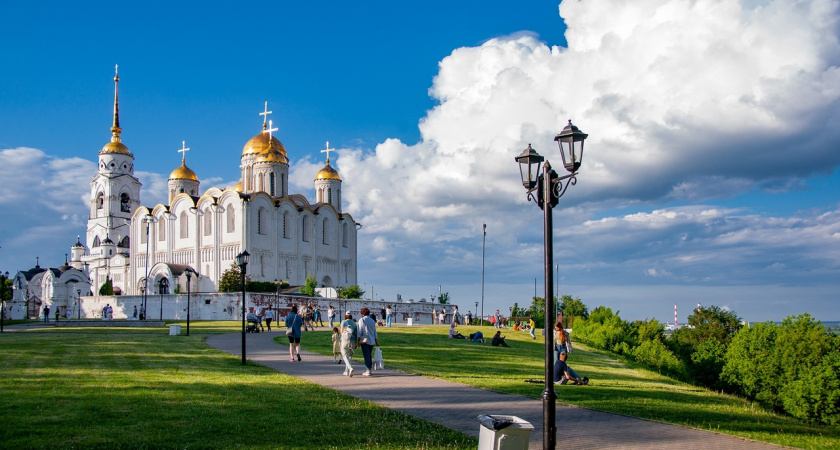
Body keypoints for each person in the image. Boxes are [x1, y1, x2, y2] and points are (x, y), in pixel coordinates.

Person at [357, 307, 379, 376]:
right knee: (369, 355)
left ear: (362, 314)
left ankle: (368, 370)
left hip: (365, 340)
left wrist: (358, 339)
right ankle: (369, 368)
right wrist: (376, 341)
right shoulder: (372, 321)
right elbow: (375, 332)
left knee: (366, 355)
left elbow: (360, 330)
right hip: (372, 340)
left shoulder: (362, 320)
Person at [340, 312, 358, 376]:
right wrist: (356, 342)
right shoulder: (354, 323)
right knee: (350, 356)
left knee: (345, 355)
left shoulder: (344, 322)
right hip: (352, 340)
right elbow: (356, 334)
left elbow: (341, 331)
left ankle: (350, 368)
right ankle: (346, 371)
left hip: (345, 340)